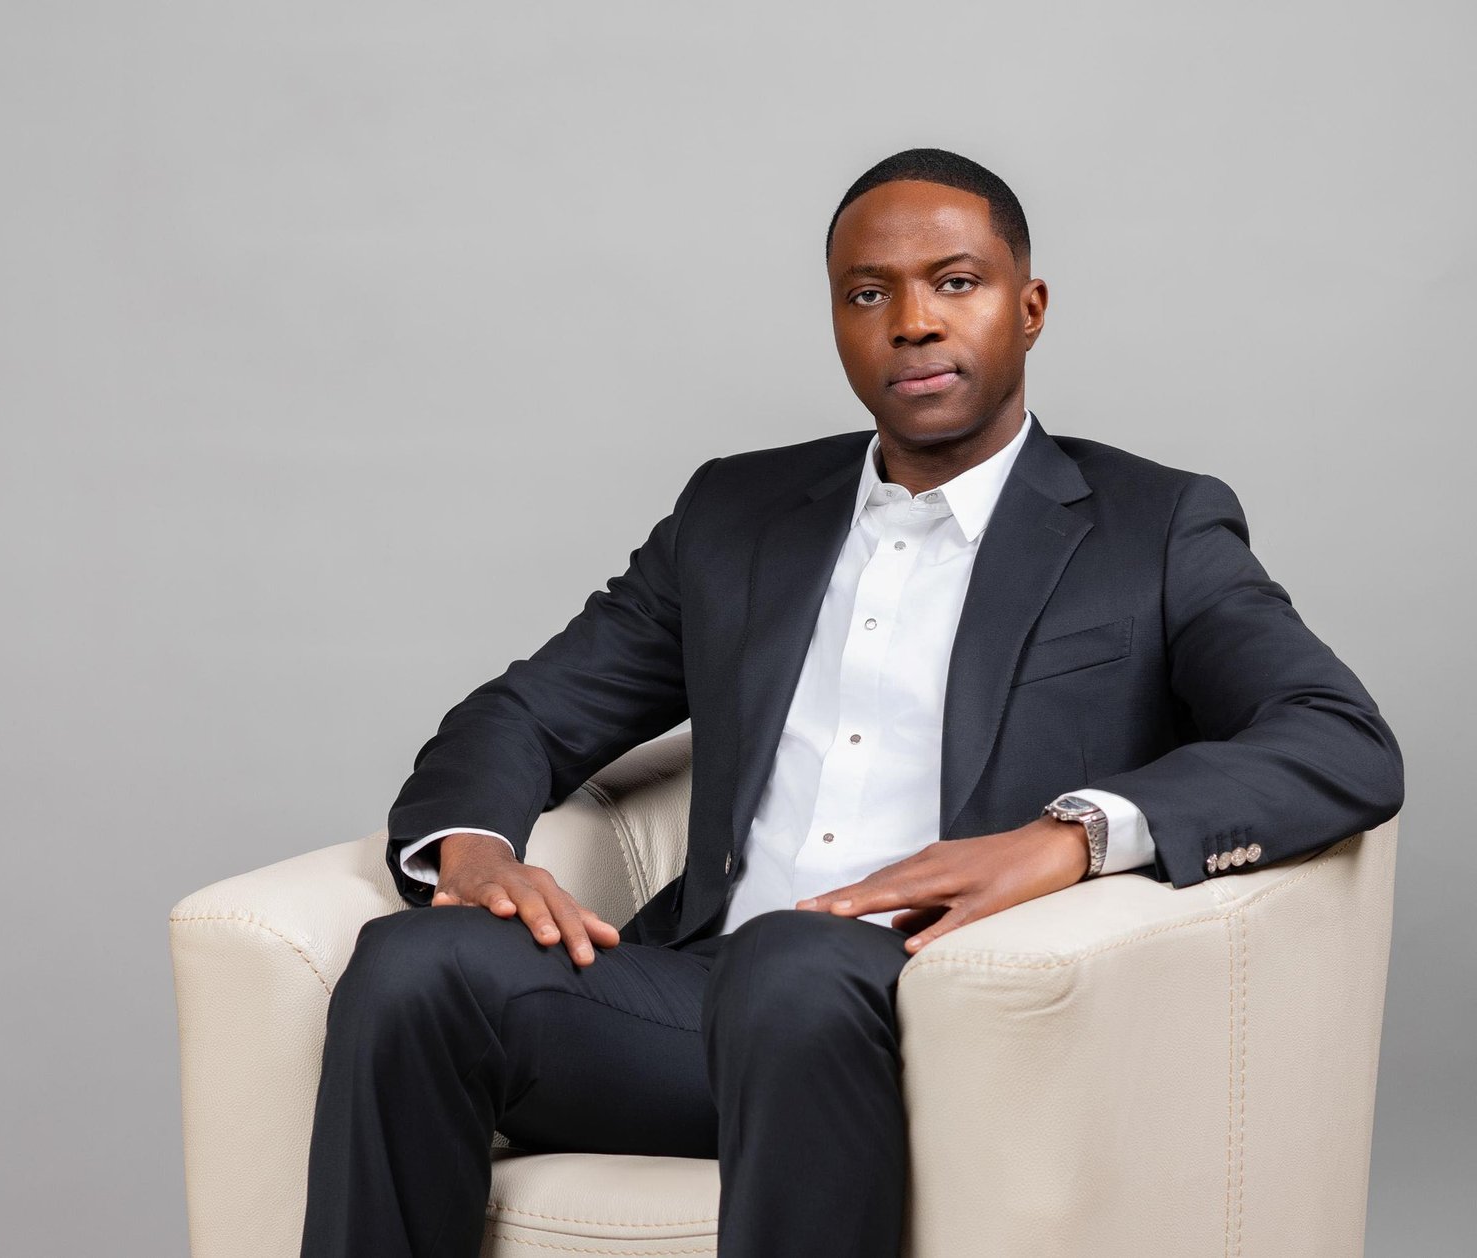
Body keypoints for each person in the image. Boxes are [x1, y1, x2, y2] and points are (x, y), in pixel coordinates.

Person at [298, 148, 1405, 1258]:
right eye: (868, 294)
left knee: (793, 962)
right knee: (412, 966)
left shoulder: (1152, 528)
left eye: (956, 283)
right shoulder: (736, 513)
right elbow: (524, 711)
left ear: (1028, 310)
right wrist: (474, 851)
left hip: (944, 1012)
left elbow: (1336, 738)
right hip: (694, 1003)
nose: (912, 323)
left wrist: (1066, 838)